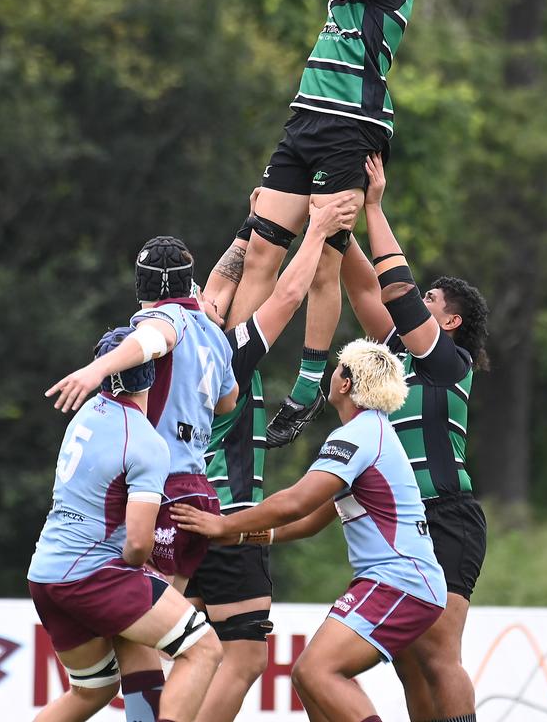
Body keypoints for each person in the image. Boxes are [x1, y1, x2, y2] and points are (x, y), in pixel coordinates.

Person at [225, 0, 414, 449]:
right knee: (261, 247)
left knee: (327, 261)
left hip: (349, 129)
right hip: (306, 122)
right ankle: (230, 367)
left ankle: (308, 381)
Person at [172, 338, 447, 722]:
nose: (332, 376)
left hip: (399, 582)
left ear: (346, 384)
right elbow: (311, 520)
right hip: (398, 581)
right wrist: (238, 535)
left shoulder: (358, 435)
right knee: (307, 676)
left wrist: (223, 524)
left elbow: (294, 503)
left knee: (319, 671)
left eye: (337, 369)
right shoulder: (374, 432)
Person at [47, 235, 239, 719]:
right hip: (180, 489)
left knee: (107, 677)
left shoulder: (87, 418)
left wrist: (95, 372)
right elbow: (226, 399)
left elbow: (153, 338)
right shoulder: (209, 332)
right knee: (196, 647)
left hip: (54, 563)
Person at [184, 195, 358, 722]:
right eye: (207, 302)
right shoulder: (227, 356)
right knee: (243, 658)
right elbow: (286, 293)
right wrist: (316, 227)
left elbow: (227, 274)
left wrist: (259, 217)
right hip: (229, 518)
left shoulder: (173, 355)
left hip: (176, 512)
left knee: (186, 652)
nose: (217, 298)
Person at [341, 152, 489, 722]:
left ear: (448, 322)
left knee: (437, 652)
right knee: (405, 656)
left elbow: (396, 289)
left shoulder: (447, 360)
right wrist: (334, 228)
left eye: (432, 302)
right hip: (406, 519)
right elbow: (365, 289)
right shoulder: (399, 356)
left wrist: (374, 207)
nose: (418, 303)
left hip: (449, 514)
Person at [30, 327, 222, 722]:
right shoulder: (146, 442)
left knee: (93, 690)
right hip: (91, 575)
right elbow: (136, 545)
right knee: (204, 649)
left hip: (46, 572)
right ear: (152, 375)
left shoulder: (87, 411)